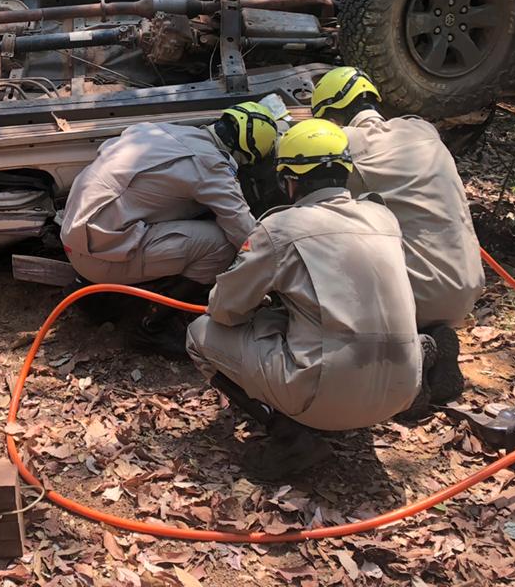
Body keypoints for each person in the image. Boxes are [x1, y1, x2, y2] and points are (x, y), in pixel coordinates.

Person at [186, 119, 427, 479]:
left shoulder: (280, 228)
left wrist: (264, 311)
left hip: (323, 395)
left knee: (199, 334)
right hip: (403, 388)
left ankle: (290, 437)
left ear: (289, 181)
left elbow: (225, 310)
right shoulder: (383, 216)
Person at [311, 65, 482, 403]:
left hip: (418, 295)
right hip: (467, 286)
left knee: (328, 250)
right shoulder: (422, 130)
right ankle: (431, 339)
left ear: (332, 118)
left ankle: (403, 374)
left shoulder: (347, 144)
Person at [60, 103, 278, 357]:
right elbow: (243, 233)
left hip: (74, 235)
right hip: (96, 258)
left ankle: (97, 300)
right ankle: (150, 328)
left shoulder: (162, 132)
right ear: (247, 154)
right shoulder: (212, 165)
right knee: (221, 245)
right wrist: (277, 273)